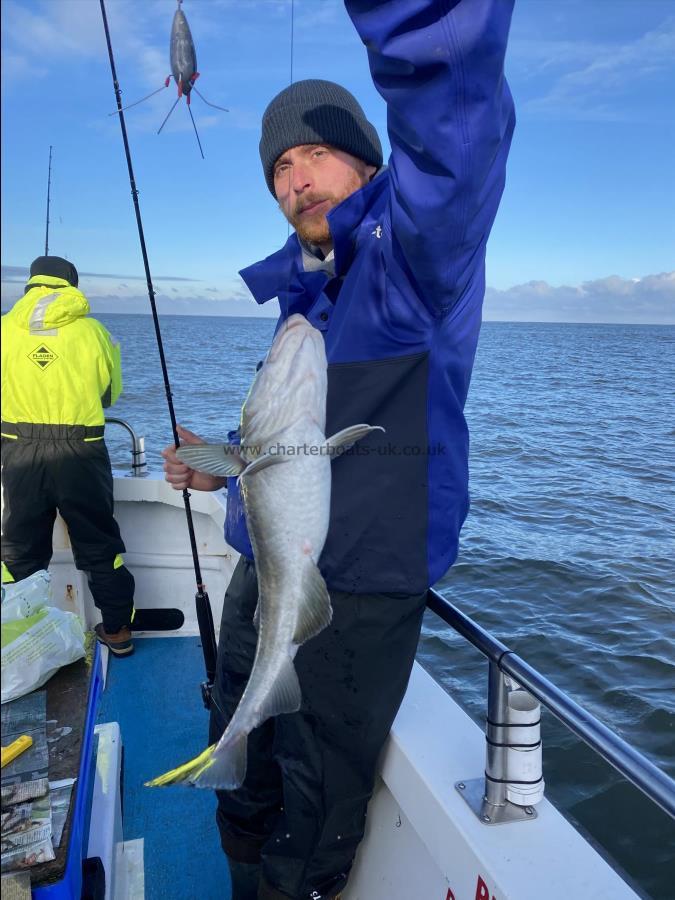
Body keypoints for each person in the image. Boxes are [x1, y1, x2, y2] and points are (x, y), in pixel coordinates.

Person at [163, 1, 515, 897]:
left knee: (315, 804)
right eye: (280, 165)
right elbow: (289, 441)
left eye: (316, 152)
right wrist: (219, 461)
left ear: (367, 160)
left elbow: (450, 119)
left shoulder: (413, 270)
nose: (297, 178)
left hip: (359, 597)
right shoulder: (304, 298)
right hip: (264, 572)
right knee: (239, 757)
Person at [1, 255, 136, 657]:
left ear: (31, 284)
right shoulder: (94, 331)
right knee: (99, 545)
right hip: (81, 454)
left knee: (20, 553)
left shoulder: (5, 329)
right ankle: (117, 632)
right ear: (71, 285)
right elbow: (110, 395)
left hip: (19, 454)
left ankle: (25, 643)